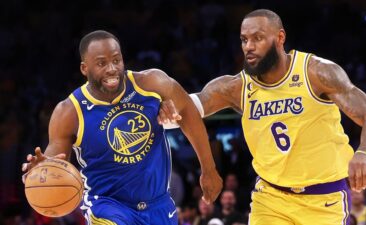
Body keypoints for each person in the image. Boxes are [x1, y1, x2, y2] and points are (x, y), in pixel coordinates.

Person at [158, 9, 366, 224]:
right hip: (270, 198)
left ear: (280, 38)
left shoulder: (316, 73)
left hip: (324, 197)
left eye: (257, 38)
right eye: (244, 39)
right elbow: (190, 107)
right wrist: (167, 114)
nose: (249, 46)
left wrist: (364, 154)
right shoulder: (236, 87)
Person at [21, 30, 222, 225]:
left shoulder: (151, 84)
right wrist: (42, 169)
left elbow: (188, 110)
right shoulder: (69, 111)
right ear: (84, 68)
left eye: (116, 60)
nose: (112, 68)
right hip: (107, 205)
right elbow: (55, 160)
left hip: (158, 203)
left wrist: (209, 168)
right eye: (101, 63)